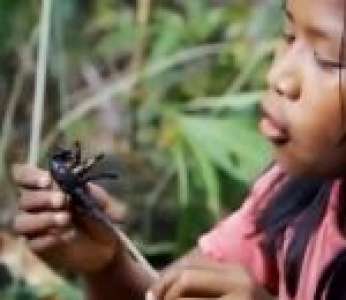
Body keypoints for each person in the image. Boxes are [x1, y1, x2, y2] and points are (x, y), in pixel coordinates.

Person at [11, 0, 346, 299]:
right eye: (288, 35)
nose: (279, 76)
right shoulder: (291, 193)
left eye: (326, 59)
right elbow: (169, 290)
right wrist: (107, 265)